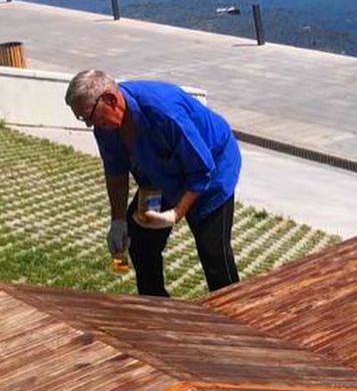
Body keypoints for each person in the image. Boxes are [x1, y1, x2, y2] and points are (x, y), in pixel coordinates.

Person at [65, 70, 242, 297]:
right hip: (159, 176)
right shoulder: (106, 127)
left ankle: (235, 317)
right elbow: (116, 171)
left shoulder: (164, 112)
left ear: (110, 100)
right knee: (139, 240)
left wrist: (176, 214)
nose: (89, 125)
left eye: (88, 115)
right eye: (83, 118)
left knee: (213, 254)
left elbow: (201, 171)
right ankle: (156, 307)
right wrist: (117, 220)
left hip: (211, 172)